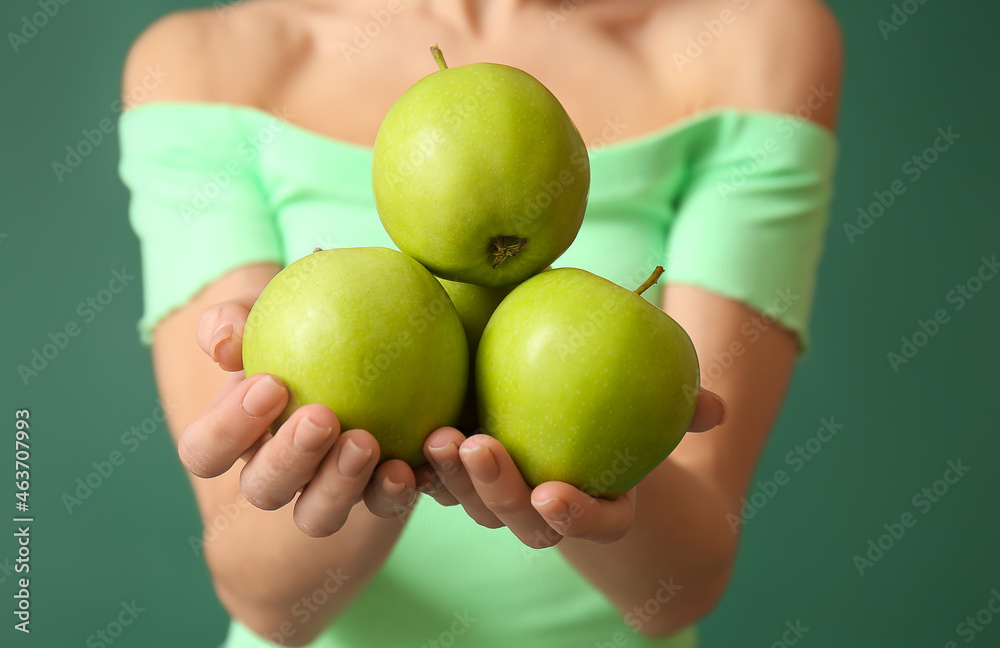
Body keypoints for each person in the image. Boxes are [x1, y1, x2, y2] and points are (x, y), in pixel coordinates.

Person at [117, 0, 842, 646]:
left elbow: (682, 588)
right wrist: (367, 454)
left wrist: (610, 449)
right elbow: (270, 605)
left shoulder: (755, 35)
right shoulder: (203, 60)